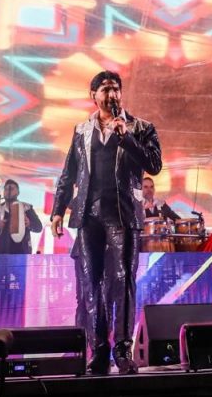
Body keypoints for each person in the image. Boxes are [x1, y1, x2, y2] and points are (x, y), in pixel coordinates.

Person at [50, 70, 162, 375]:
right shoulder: (81, 130)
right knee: (91, 282)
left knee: (123, 280)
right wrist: (58, 210)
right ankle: (98, 349)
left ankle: (122, 350)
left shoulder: (141, 127)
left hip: (123, 214)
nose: (111, 95)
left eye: (116, 89)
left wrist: (126, 138)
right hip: (88, 215)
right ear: (93, 95)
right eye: (105, 89)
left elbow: (154, 165)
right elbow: (69, 173)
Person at [0, 179, 43, 254]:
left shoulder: (26, 208)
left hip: (21, 254)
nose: (8, 191)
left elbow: (39, 227)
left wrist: (29, 223)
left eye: (11, 189)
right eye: (6, 189)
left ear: (18, 192)